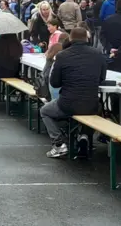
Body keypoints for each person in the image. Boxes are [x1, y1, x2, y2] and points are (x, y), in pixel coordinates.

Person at [40, 28, 107, 158]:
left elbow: (54, 83)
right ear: (87, 39)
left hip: (67, 103)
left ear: (70, 39)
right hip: (91, 104)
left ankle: (59, 144)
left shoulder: (62, 55)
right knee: (98, 108)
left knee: (45, 111)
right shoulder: (98, 54)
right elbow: (101, 78)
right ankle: (84, 136)